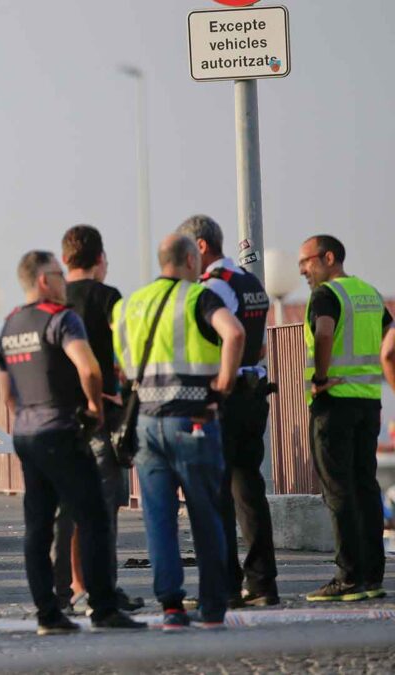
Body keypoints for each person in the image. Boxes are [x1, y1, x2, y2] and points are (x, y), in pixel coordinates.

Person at [0, 250, 146, 635]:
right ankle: (103, 608)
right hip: (61, 430)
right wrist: (95, 406)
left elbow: (8, 393)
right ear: (43, 280)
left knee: (38, 526)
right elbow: (90, 367)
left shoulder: (11, 324)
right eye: (58, 275)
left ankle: (48, 615)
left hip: (26, 434)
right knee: (93, 516)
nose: (64, 281)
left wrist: (25, 416)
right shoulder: (61, 319)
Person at [112, 234, 245, 630]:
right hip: (195, 420)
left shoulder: (129, 305)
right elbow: (234, 333)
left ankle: (171, 605)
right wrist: (225, 381)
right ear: (190, 259)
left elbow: (123, 368)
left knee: (159, 518)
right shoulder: (197, 297)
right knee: (206, 514)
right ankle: (212, 606)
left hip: (146, 423)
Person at [177, 215, 280, 608]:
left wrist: (218, 382)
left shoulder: (214, 286)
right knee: (249, 492)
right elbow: (259, 346)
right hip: (254, 393)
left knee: (215, 496)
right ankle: (262, 584)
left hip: (227, 395)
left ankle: (223, 585)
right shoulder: (250, 282)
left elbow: (225, 336)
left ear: (201, 247)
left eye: (188, 253)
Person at [298, 234, 395, 602]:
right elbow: (391, 334)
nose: (303, 271)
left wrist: (320, 379)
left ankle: (348, 577)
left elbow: (324, 333)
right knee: (366, 487)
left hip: (334, 401)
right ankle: (372, 576)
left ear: (328, 257)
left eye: (306, 262)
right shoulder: (369, 293)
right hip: (368, 402)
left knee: (337, 491)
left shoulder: (327, 295)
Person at [51, 225, 142, 615]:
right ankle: (103, 588)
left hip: (57, 419)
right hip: (101, 416)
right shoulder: (109, 298)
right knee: (104, 510)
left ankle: (72, 587)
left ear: (65, 258)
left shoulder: (52, 303)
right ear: (100, 259)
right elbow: (127, 352)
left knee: (67, 509)